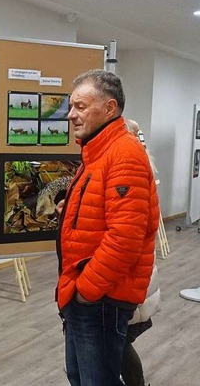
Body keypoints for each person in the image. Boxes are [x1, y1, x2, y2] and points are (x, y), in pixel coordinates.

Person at [54, 70, 160, 386]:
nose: (71, 115)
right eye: (71, 107)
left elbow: (126, 236)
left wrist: (86, 291)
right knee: (80, 375)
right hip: (86, 292)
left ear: (109, 108)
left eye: (81, 107)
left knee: (96, 379)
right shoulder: (99, 152)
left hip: (100, 296)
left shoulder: (123, 153)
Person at [121, 119, 162, 386]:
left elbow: (128, 237)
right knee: (119, 343)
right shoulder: (140, 165)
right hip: (135, 278)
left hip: (129, 280)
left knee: (120, 344)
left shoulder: (131, 172)